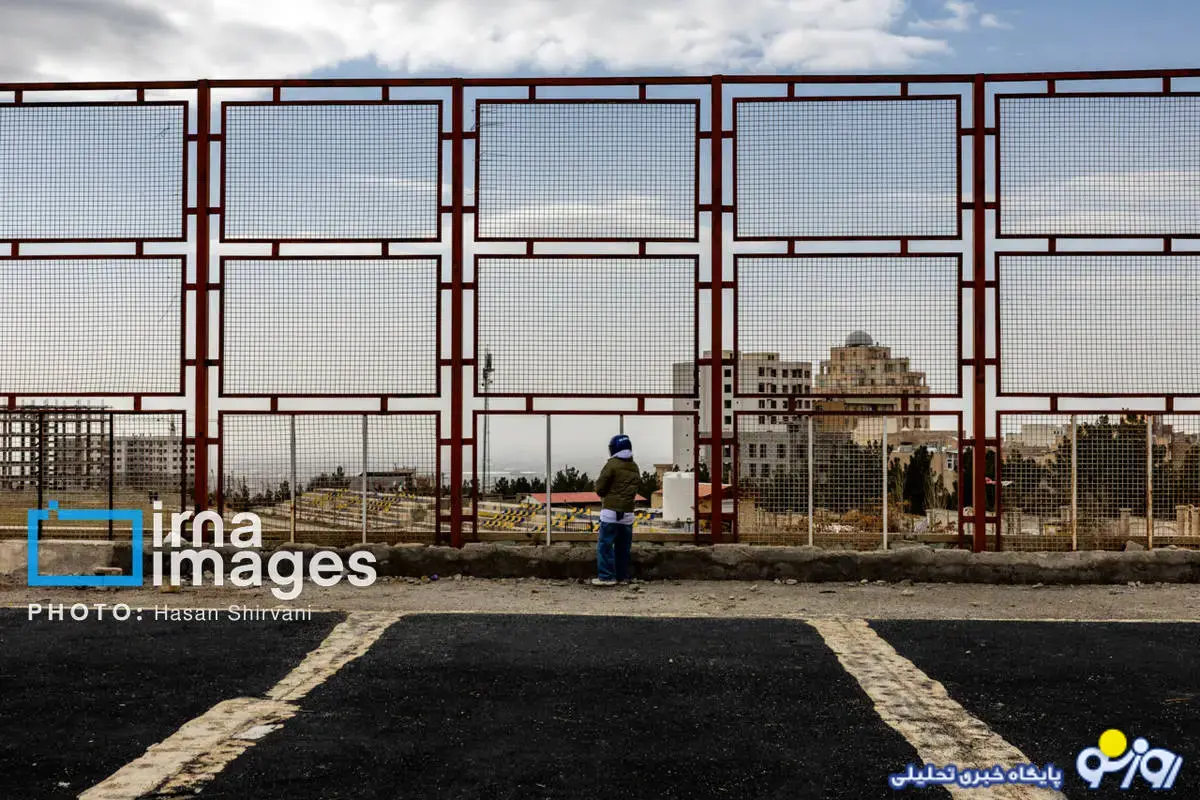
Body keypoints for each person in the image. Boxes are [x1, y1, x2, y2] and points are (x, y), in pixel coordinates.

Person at [592, 434, 639, 586]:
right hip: (628, 513)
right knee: (623, 548)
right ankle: (622, 577)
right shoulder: (634, 466)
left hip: (611, 512)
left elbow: (600, 488)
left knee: (605, 546)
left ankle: (606, 577)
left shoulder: (611, 465)